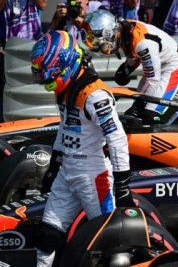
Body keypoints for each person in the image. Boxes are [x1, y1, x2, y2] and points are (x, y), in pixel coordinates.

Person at [31, 30, 134, 266]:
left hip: (93, 177)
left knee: (110, 239)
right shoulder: (66, 91)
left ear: (64, 65)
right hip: (67, 173)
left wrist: (122, 183)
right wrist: (54, 165)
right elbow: (65, 129)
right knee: (47, 237)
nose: (46, 81)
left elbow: (117, 138)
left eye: (49, 74)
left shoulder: (95, 94)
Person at [81, 9, 178, 123]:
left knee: (149, 115)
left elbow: (153, 79)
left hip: (172, 66)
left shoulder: (142, 42)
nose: (101, 48)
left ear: (108, 33)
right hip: (157, 65)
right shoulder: (123, 30)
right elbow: (136, 53)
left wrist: (139, 103)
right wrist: (127, 68)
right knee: (132, 116)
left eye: (98, 43)